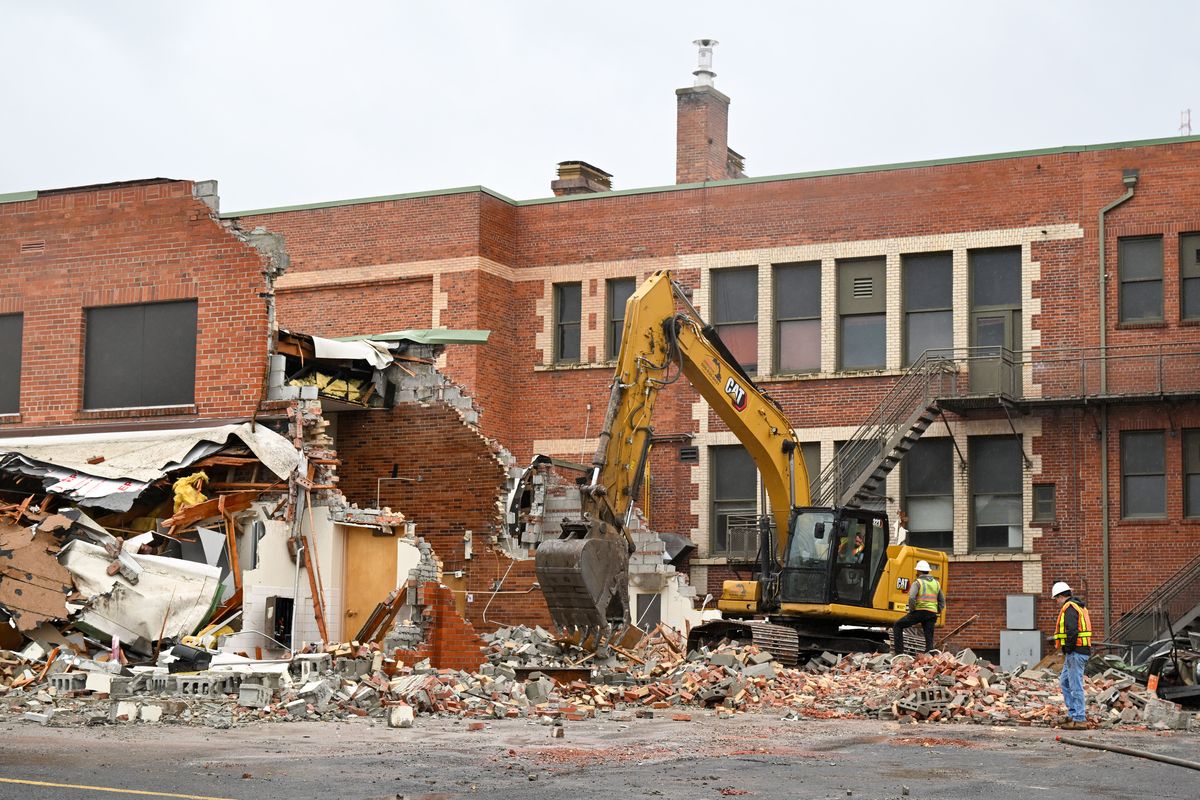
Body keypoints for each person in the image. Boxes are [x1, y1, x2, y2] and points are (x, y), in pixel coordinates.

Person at [1050, 580, 1092, 730]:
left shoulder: (1070, 608)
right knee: (1065, 682)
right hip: (1077, 651)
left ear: (1061, 596)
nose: (1056, 602)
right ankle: (1074, 714)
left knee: (1075, 686)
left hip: (1075, 652)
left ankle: (1079, 718)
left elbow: (1072, 631)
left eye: (1056, 598)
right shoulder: (1078, 606)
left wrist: (1067, 648)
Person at [892, 560, 944, 654]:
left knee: (897, 625)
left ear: (919, 571)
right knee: (929, 637)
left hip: (919, 612)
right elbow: (942, 600)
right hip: (931, 613)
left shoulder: (918, 582)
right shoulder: (936, 583)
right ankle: (930, 657)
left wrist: (912, 610)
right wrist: (937, 610)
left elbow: (912, 598)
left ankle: (899, 653)